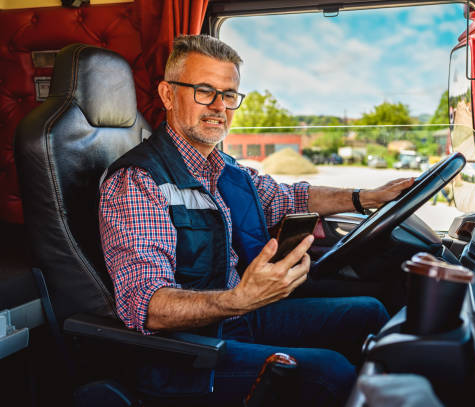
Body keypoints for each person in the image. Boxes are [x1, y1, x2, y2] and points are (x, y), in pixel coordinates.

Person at [99, 34, 415, 406]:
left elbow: (290, 196)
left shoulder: (225, 170)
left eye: (229, 94)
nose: (220, 106)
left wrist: (366, 198)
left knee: (369, 314)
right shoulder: (138, 181)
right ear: (168, 95)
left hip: (241, 315)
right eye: (204, 91)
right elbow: (146, 304)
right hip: (186, 351)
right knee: (329, 373)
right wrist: (239, 298)